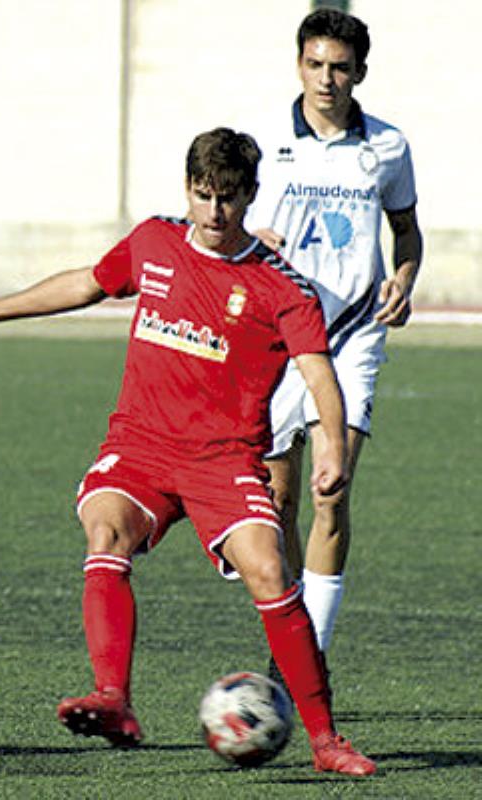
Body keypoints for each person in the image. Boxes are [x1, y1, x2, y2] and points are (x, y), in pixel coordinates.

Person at [0, 128, 375, 776]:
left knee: (272, 572)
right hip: (140, 446)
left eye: (228, 198)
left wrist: (332, 444)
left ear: (251, 195)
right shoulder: (155, 242)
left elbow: (317, 373)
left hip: (224, 459)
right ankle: (113, 697)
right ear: (187, 190)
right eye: (203, 195)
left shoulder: (282, 287)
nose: (215, 212)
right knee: (105, 530)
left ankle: (326, 741)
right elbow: (86, 282)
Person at [245, 8, 423, 670]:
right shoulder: (262, 140)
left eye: (340, 68)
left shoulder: (388, 147)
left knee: (332, 491)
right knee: (279, 501)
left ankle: (305, 659)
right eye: (315, 65)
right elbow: (222, 228)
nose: (327, 80)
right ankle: (293, 629)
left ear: (361, 73)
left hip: (353, 335)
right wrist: (248, 241)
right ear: (299, 66)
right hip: (278, 337)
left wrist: (404, 277)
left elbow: (406, 231)